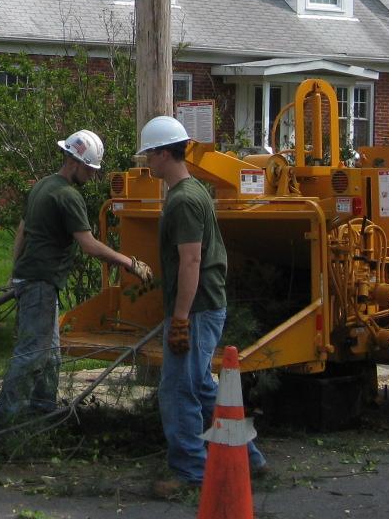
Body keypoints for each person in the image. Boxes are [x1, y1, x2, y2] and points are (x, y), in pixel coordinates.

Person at [138, 114, 267, 497]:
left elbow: (191, 260)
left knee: (178, 390)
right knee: (202, 386)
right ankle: (250, 458)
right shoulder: (194, 193)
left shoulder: (183, 202)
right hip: (204, 305)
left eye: (149, 154)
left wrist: (179, 318)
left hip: (196, 308)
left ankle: (190, 473)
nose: (146, 161)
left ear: (164, 154)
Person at [0, 128, 154, 423]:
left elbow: (22, 230)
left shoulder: (42, 186)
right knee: (32, 353)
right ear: (75, 162)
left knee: (51, 354)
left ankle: (44, 412)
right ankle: (5, 420)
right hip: (40, 281)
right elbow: (89, 244)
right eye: (90, 170)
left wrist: (14, 273)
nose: (92, 177)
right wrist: (129, 263)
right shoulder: (67, 196)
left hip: (33, 279)